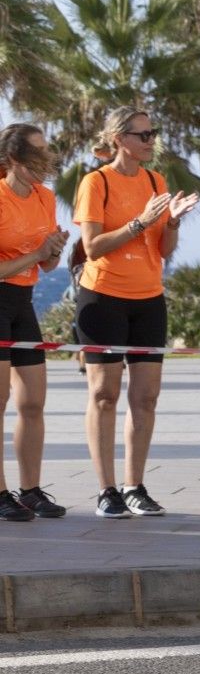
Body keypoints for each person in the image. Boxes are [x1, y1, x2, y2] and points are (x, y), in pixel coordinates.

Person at [73, 107, 200, 518]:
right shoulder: (95, 182)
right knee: (104, 395)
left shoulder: (155, 181)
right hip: (103, 296)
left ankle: (135, 486)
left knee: (145, 397)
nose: (151, 141)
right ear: (118, 140)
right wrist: (140, 222)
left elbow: (162, 250)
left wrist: (173, 223)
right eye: (143, 135)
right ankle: (106, 490)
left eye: (153, 133)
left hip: (148, 298)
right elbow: (92, 247)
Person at [0, 125, 71, 520]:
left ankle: (31, 490)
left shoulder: (44, 196)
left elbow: (47, 264)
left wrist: (54, 251)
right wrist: (38, 254)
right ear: (13, 161)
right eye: (36, 159)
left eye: (47, 156)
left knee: (32, 402)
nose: (45, 166)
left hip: (22, 300)